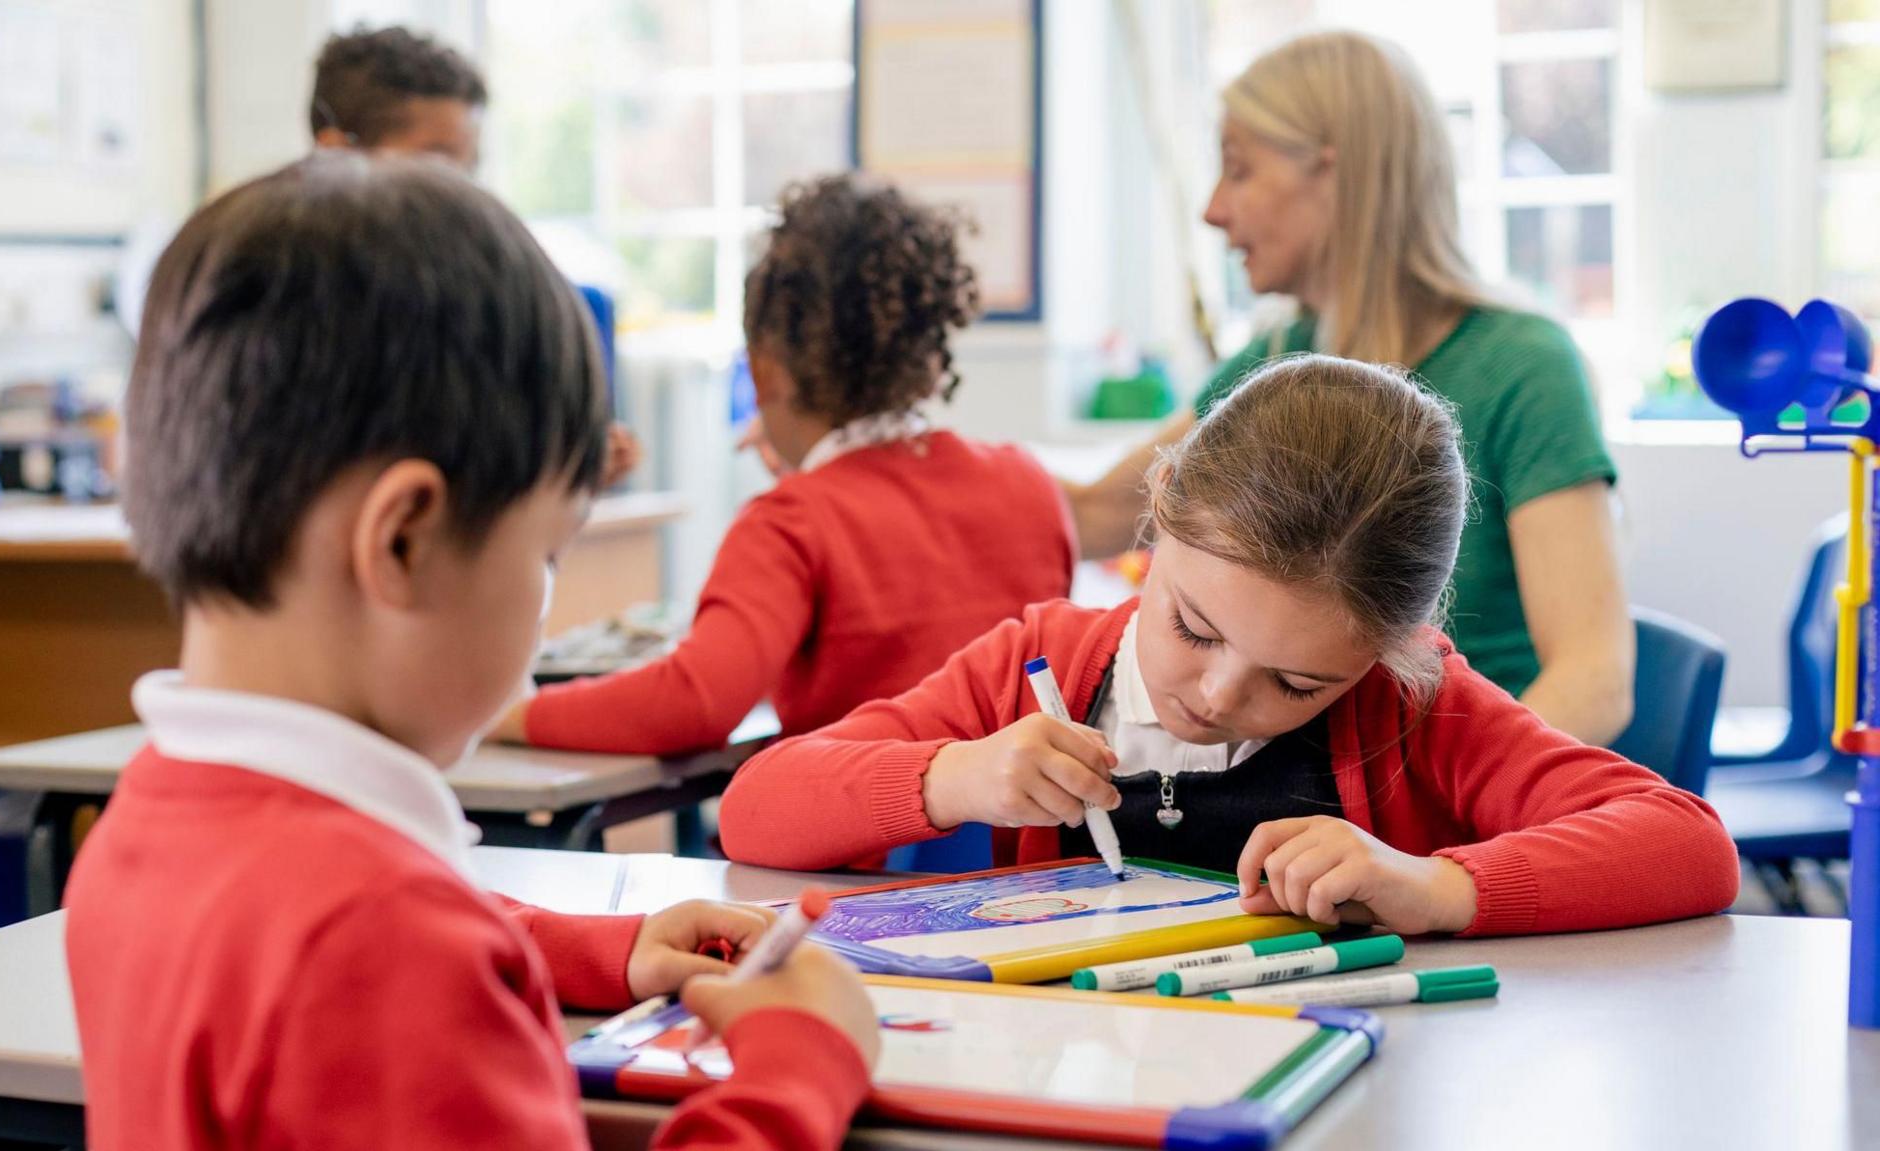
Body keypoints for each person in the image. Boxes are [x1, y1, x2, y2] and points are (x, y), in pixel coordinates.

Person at [65, 153, 878, 1150]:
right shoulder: (384, 943)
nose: (542, 600)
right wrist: (799, 1065)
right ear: (403, 538)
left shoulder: (147, 825)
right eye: (543, 551)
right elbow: (389, 951)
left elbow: (388, 935)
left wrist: (602, 947)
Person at [721, 356, 1738, 937]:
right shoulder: (1034, 665)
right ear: (1153, 525)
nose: (1211, 693)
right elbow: (756, 806)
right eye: (1190, 626)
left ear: (1384, 650)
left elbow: (1685, 841)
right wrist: (951, 774)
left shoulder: (1408, 700)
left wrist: (1438, 883)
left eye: (1295, 682)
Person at [1065, 31, 1633, 745]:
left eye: (1238, 171)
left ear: (1333, 175)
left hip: (1449, 789)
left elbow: (1595, 677)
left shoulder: (1524, 364)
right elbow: (1092, 514)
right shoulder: (1278, 356)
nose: (1213, 208)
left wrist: (1443, 830)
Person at [498, 174, 1077, 754]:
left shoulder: (790, 524)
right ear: (929, 361)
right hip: (1037, 843)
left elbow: (693, 703)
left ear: (764, 370)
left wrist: (512, 715)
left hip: (869, 836)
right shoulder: (1027, 482)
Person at [311, 24, 642, 485]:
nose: (463, 191)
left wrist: (569, 466)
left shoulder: (475, 290)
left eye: (470, 169)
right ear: (335, 155)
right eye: (438, 163)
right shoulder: (300, 304)